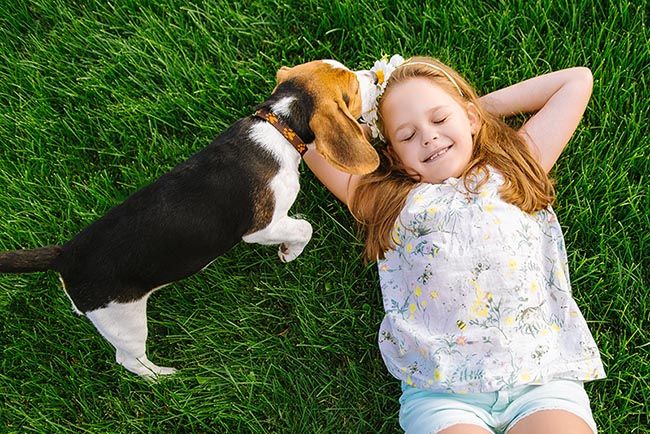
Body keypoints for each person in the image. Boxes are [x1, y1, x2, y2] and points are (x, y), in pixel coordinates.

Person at [303, 55, 605, 434]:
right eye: (407, 135)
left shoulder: (514, 169)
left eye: (440, 119)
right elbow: (311, 142)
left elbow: (575, 80)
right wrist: (359, 118)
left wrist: (474, 108)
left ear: (472, 119)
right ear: (394, 155)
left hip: (541, 379)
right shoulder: (391, 202)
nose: (428, 136)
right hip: (443, 394)